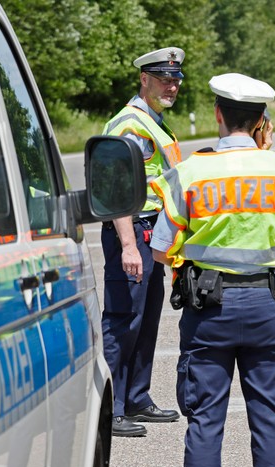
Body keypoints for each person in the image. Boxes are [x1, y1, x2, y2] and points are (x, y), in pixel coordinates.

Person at [150, 72, 275, 467]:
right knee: (272, 424)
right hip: (269, 307)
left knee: (204, 424)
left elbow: (161, 248)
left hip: (209, 309)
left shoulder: (189, 172)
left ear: (218, 114)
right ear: (262, 119)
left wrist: (189, 265)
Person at [101, 47, 185, 437]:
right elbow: (116, 190)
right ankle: (112, 408)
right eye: (164, 78)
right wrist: (129, 245)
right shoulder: (129, 125)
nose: (172, 85)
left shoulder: (155, 121)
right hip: (131, 230)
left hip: (152, 229)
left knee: (147, 318)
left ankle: (137, 397)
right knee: (123, 318)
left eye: (176, 80)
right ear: (144, 79)